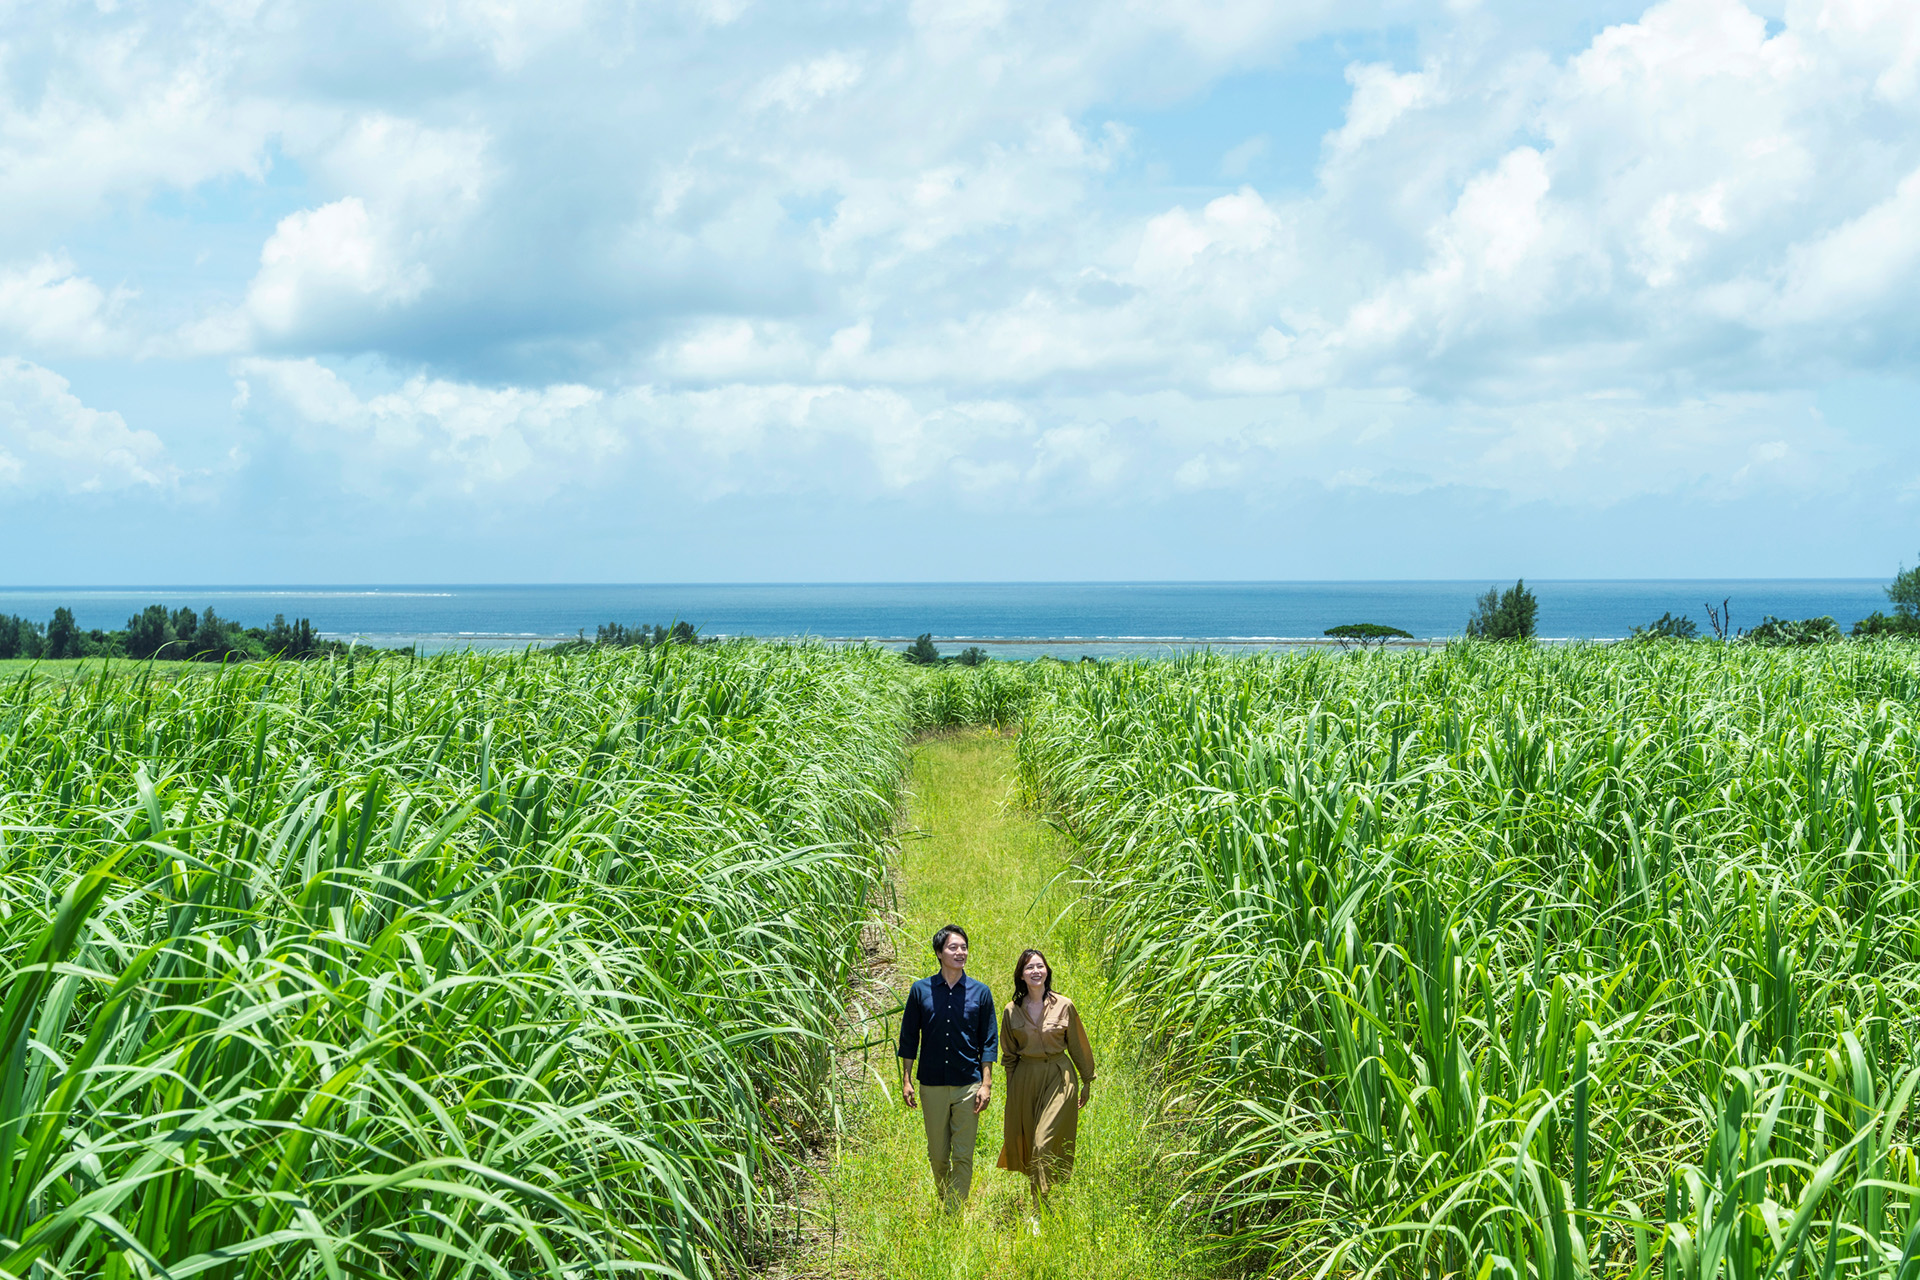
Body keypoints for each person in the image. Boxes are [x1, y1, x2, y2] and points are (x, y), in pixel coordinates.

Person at [897, 923, 997, 1210]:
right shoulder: (921, 990)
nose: (960, 952)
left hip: (968, 1084)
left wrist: (986, 1083)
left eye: (964, 947)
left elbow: (989, 1041)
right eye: (953, 947)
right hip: (932, 1084)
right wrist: (906, 1079)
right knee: (938, 1156)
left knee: (963, 1154)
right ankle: (947, 1199)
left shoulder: (980, 993)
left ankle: (953, 1212)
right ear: (939, 953)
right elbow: (909, 1038)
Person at [995, 948, 1095, 1218]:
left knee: (1042, 1142)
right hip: (1026, 1079)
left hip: (1059, 1078)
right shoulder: (1011, 1011)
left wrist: (1087, 1079)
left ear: (1047, 971)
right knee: (1031, 1143)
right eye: (1029, 967)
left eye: (1040, 966)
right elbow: (1009, 1056)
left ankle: (1036, 1211)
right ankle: (1041, 1196)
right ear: (1021, 975)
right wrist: (1012, 1093)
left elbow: (1077, 1044)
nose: (1035, 971)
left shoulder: (1064, 1005)